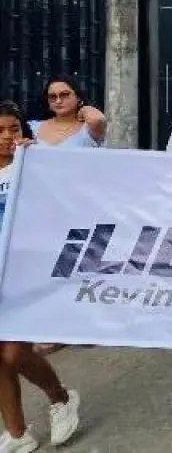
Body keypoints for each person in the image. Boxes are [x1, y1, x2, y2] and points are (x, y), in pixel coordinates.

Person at [0, 104, 82, 453]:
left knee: (13, 354)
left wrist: (40, 164)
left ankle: (61, 398)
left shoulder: (33, 163)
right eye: (0, 130)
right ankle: (18, 434)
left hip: (24, 271)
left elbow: (65, 202)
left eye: (13, 128)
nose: (7, 137)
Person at [29, 76, 106, 148]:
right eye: (52, 96)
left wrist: (83, 109)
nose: (58, 101)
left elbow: (97, 119)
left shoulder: (88, 130)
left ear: (78, 97)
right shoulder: (33, 127)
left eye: (64, 95)